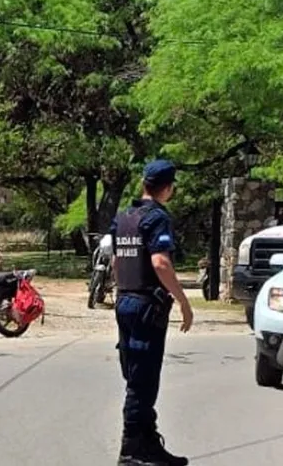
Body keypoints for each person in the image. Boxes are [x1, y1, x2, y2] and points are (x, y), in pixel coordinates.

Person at [110, 160, 194, 466]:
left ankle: (148, 443)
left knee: (135, 374)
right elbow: (160, 263)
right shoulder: (157, 218)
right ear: (168, 187)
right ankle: (132, 449)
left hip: (125, 301)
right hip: (146, 305)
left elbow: (118, 263)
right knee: (142, 381)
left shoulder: (124, 217)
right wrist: (183, 301)